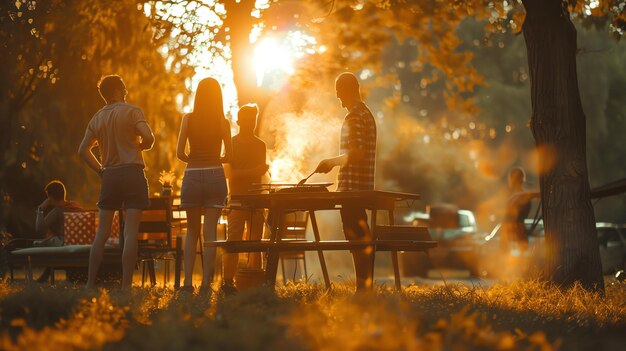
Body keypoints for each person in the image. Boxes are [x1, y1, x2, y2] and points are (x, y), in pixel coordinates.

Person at [79, 75, 155, 289]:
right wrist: (143, 146)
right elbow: (148, 137)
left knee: (102, 233)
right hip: (132, 173)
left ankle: (90, 283)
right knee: (130, 232)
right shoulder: (132, 111)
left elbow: (82, 150)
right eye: (124, 87)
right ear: (118, 90)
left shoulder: (96, 118)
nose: (126, 91)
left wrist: (100, 171)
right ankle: (125, 287)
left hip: (110, 175)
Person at [314, 72, 377, 291]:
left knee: (356, 238)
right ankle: (364, 287)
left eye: (339, 94)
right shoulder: (366, 114)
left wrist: (331, 162)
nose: (339, 100)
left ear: (349, 90)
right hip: (361, 187)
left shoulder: (354, 116)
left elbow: (357, 153)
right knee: (360, 236)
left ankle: (363, 289)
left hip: (353, 188)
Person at [176, 77, 232, 293]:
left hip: (192, 176)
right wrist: (215, 158)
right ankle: (207, 284)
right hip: (215, 177)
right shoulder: (222, 121)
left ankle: (188, 283)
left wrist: (194, 158)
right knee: (210, 233)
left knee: (191, 231)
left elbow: (180, 153)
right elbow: (230, 155)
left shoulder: (188, 119)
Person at [223, 104, 269, 294]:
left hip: (257, 199)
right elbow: (229, 174)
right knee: (233, 240)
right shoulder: (232, 144)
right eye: (247, 118)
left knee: (255, 240)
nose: (251, 122)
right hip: (236, 199)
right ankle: (228, 282)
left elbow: (260, 174)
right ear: (239, 121)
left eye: (254, 119)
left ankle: (254, 281)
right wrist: (254, 171)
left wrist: (259, 174)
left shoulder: (260, 145)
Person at [34, 180, 82, 282]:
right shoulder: (76, 206)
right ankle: (45, 275)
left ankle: (44, 276)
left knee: (38, 244)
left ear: (50, 197)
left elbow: (39, 229)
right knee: (51, 240)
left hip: (65, 244)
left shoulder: (57, 211)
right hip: (80, 242)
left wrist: (41, 208)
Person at [502, 167, 539, 253]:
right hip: (514, 228)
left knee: (518, 253)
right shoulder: (514, 195)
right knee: (520, 253)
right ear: (522, 179)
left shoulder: (518, 194)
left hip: (514, 228)